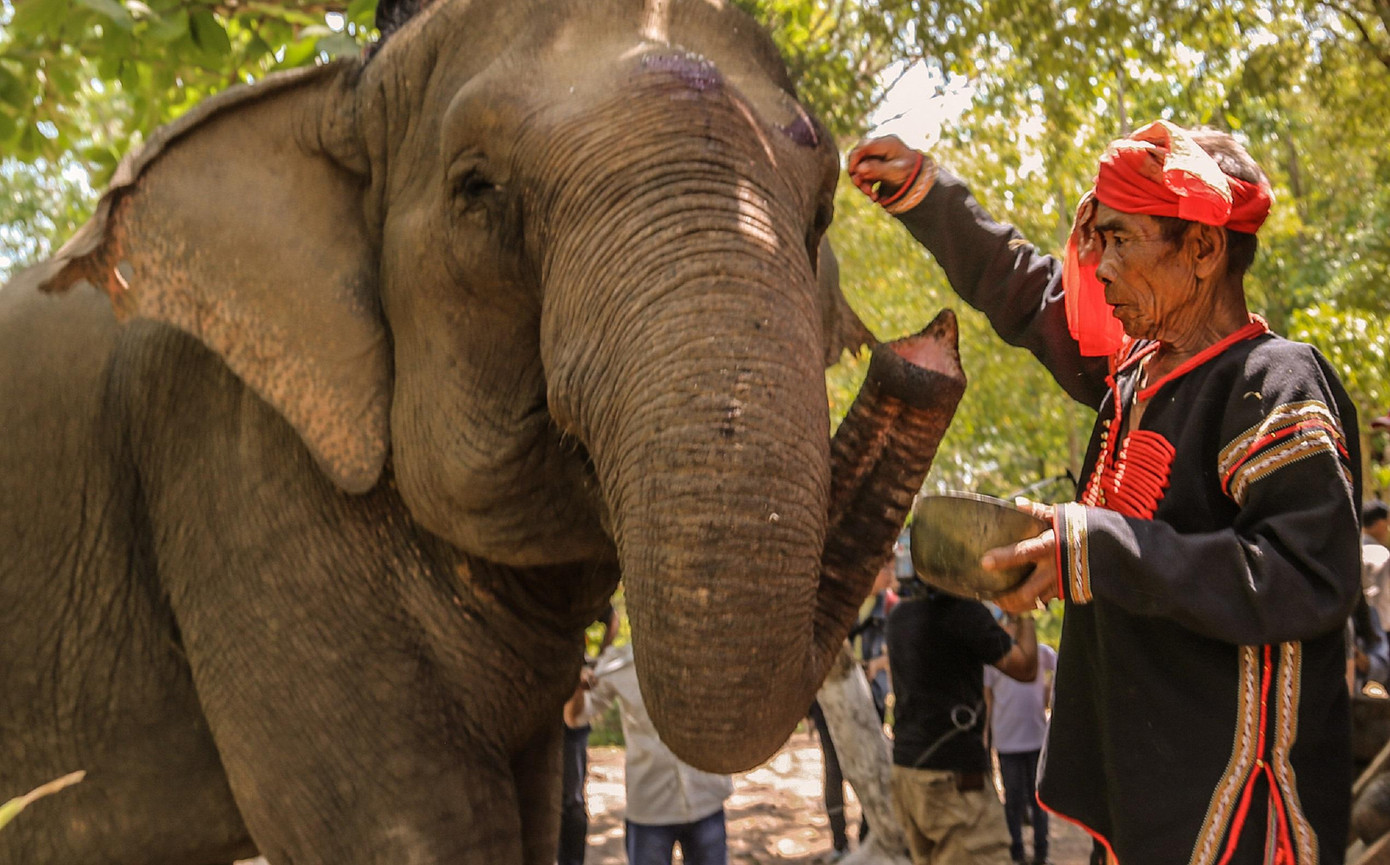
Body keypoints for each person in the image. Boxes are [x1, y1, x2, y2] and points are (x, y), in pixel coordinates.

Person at [848, 122, 1362, 864]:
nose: (1100, 265)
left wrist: (1096, 548)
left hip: (1234, 808)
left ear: (1204, 249)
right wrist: (930, 195)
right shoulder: (1134, 375)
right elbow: (1026, 290)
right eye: (1098, 240)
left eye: (1121, 239)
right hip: (1140, 796)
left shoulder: (1272, 383)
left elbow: (1307, 576)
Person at [885, 577, 1039, 865]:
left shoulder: (899, 616)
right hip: (952, 783)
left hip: (908, 773)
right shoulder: (962, 612)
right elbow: (1026, 666)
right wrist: (1024, 610)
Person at [566, 641, 732, 865]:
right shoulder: (620, 662)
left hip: (706, 799)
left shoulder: (706, 652)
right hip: (650, 809)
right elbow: (575, 718)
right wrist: (577, 687)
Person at [809, 562, 899, 860]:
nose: (892, 571)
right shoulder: (840, 602)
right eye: (886, 565)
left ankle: (867, 835)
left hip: (871, 698)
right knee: (835, 769)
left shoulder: (891, 607)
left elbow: (901, 649)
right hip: (830, 700)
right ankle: (839, 843)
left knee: (871, 764)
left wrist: (879, 663)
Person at [984, 614, 1057, 865]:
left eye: (1019, 620)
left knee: (1039, 800)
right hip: (1007, 742)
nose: (1013, 625)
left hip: (1037, 739)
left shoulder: (1042, 653)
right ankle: (1015, 853)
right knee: (1013, 801)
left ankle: (1041, 854)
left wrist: (1050, 695)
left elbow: (1062, 670)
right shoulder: (995, 659)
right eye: (1010, 620)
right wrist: (985, 737)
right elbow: (988, 699)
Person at [558, 605, 620, 865]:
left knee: (571, 799)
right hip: (533, 701)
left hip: (572, 702)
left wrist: (599, 660)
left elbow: (613, 619)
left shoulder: (578, 593)